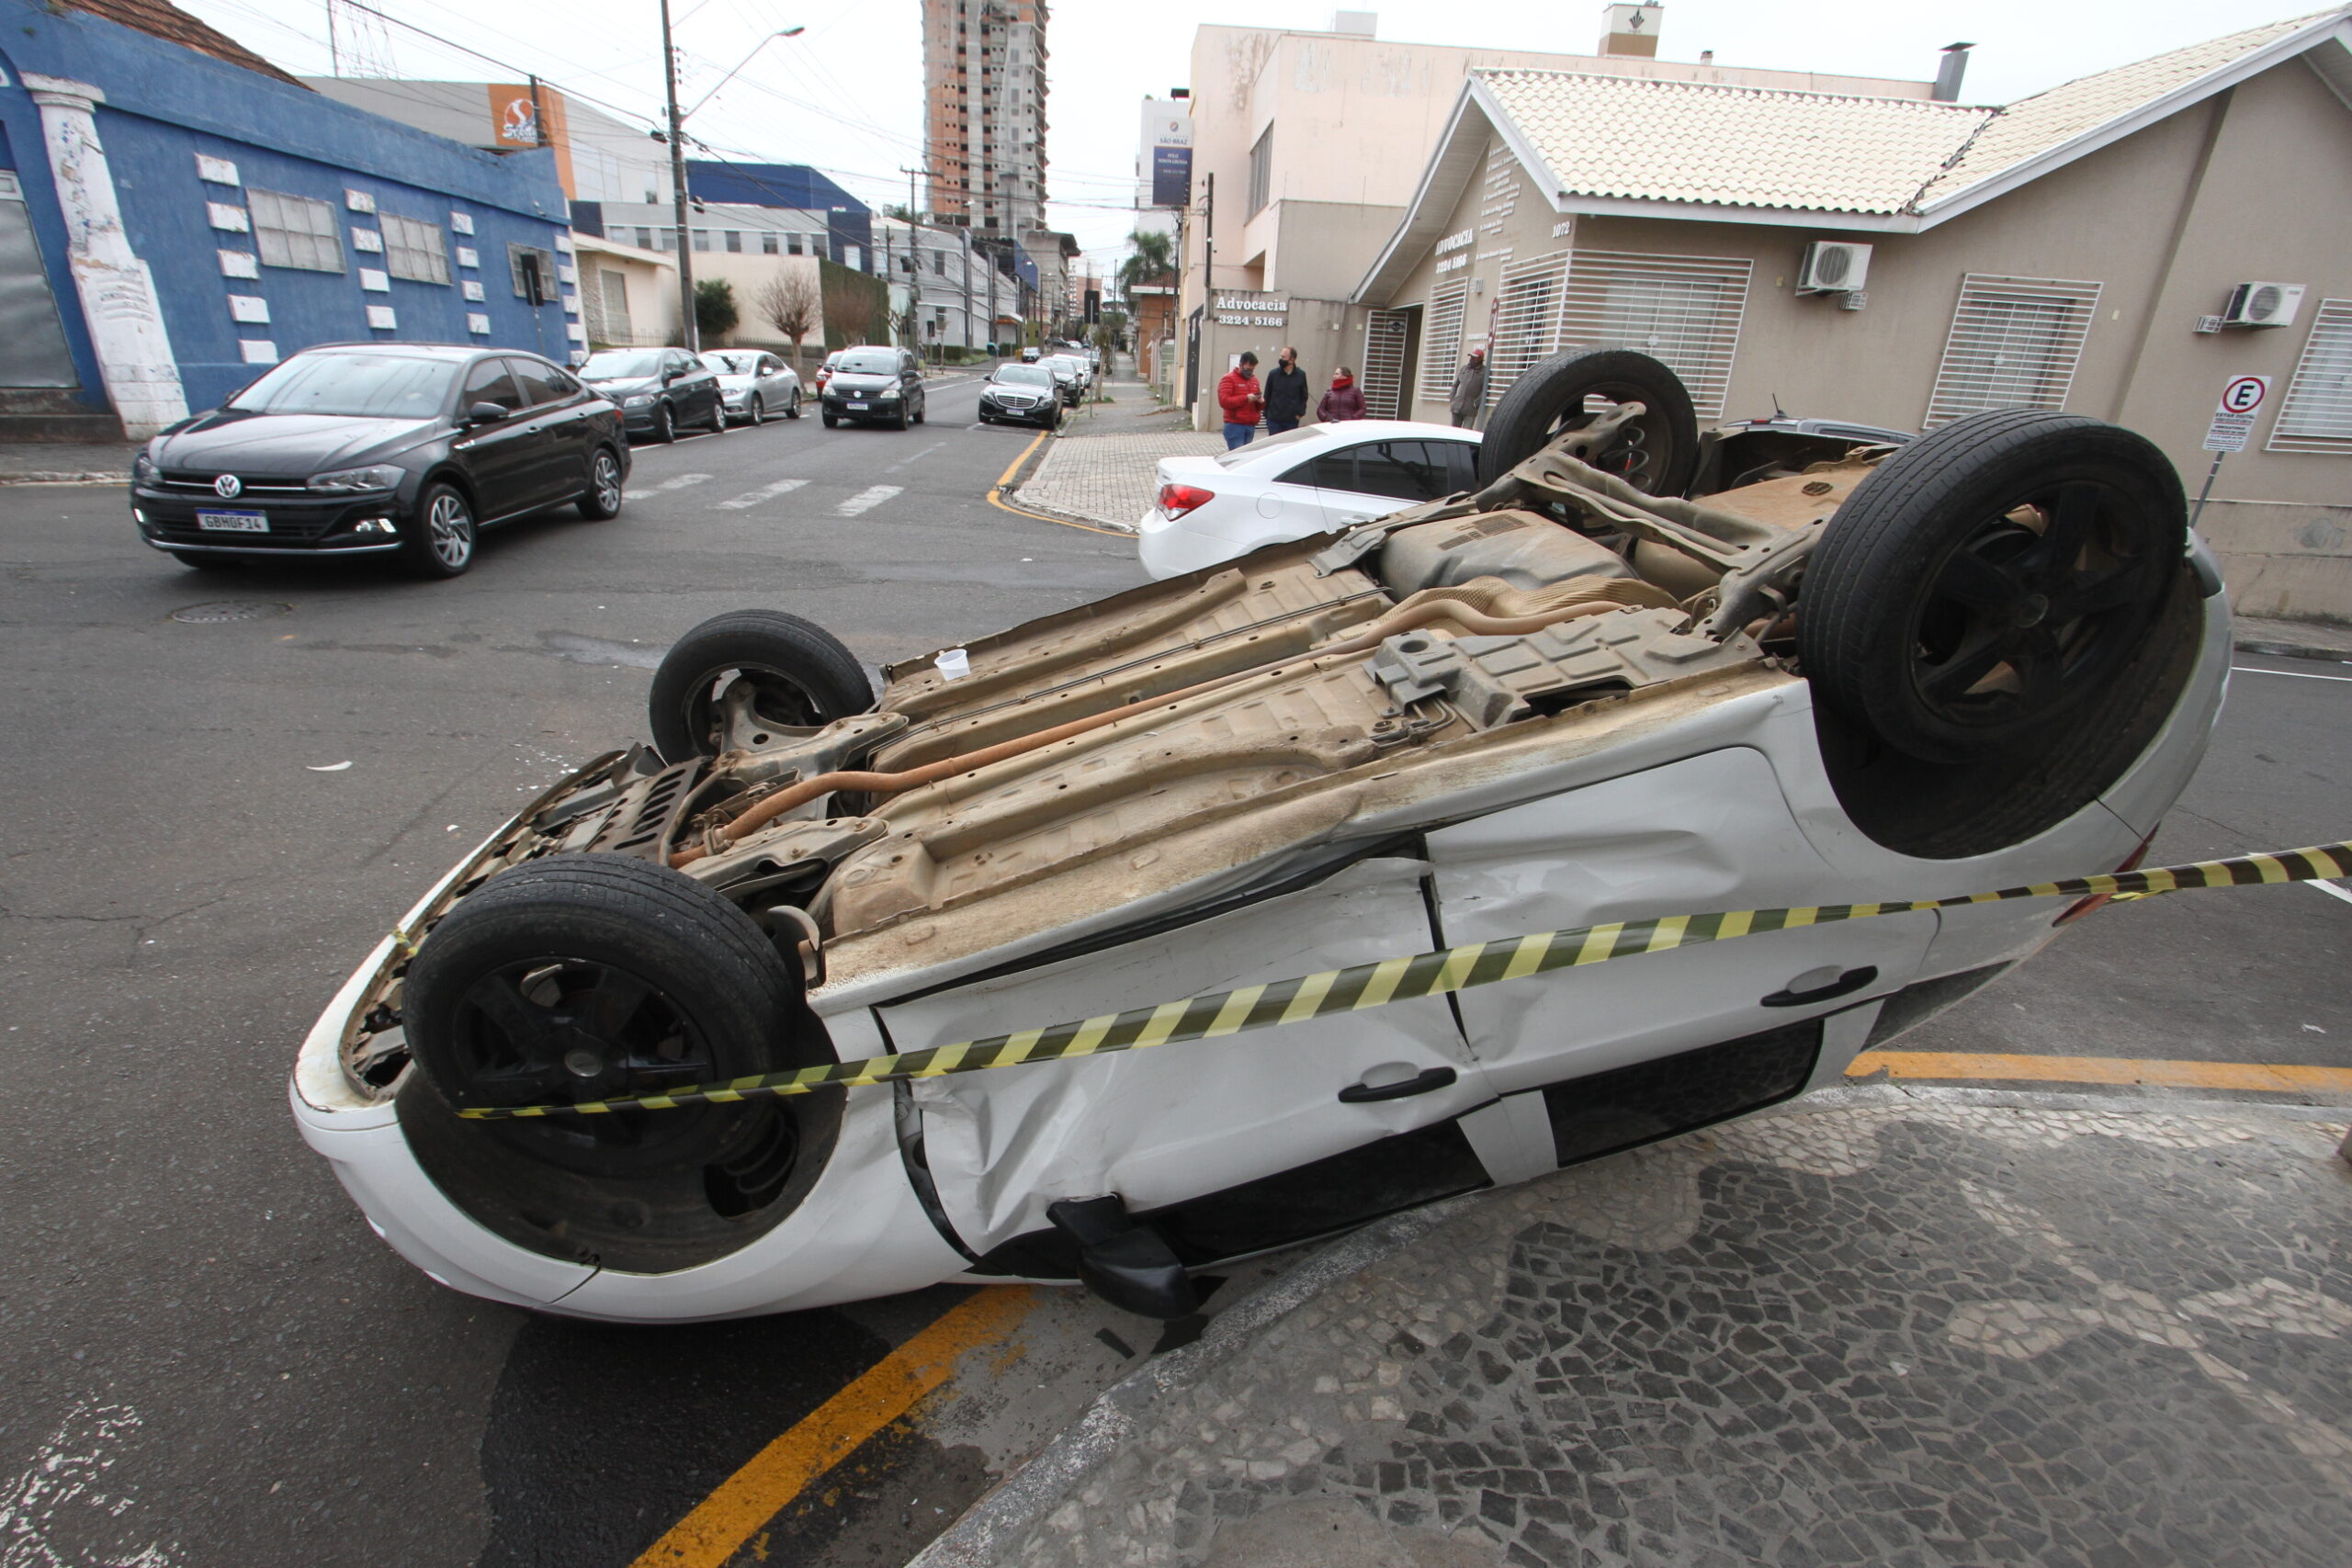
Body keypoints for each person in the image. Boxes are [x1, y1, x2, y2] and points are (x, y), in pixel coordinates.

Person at [1216, 352, 1265, 449]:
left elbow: (1258, 406)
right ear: (1240, 365)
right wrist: (1246, 398)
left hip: (1250, 425)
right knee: (1237, 458)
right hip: (1235, 425)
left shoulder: (1254, 380)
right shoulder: (1228, 379)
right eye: (1248, 369)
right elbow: (1224, 401)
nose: (1250, 372)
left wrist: (1261, 402)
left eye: (1252, 369)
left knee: (1245, 458)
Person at [1261, 345, 1308, 434]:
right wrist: (1267, 414)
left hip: (1291, 420)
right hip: (1274, 420)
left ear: (1292, 359)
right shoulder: (1273, 374)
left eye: (1283, 357)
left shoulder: (1301, 375)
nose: (1280, 359)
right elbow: (1267, 394)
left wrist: (1300, 413)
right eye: (1280, 356)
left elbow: (1304, 396)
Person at [1449, 345, 1487, 429]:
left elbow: (1484, 390)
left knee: (1466, 432)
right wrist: (1452, 398)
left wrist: (1476, 403)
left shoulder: (1484, 372)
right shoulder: (1464, 369)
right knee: (1453, 431)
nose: (1471, 359)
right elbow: (1455, 385)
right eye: (1471, 357)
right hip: (1457, 406)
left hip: (1470, 409)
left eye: (1474, 358)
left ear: (1480, 359)